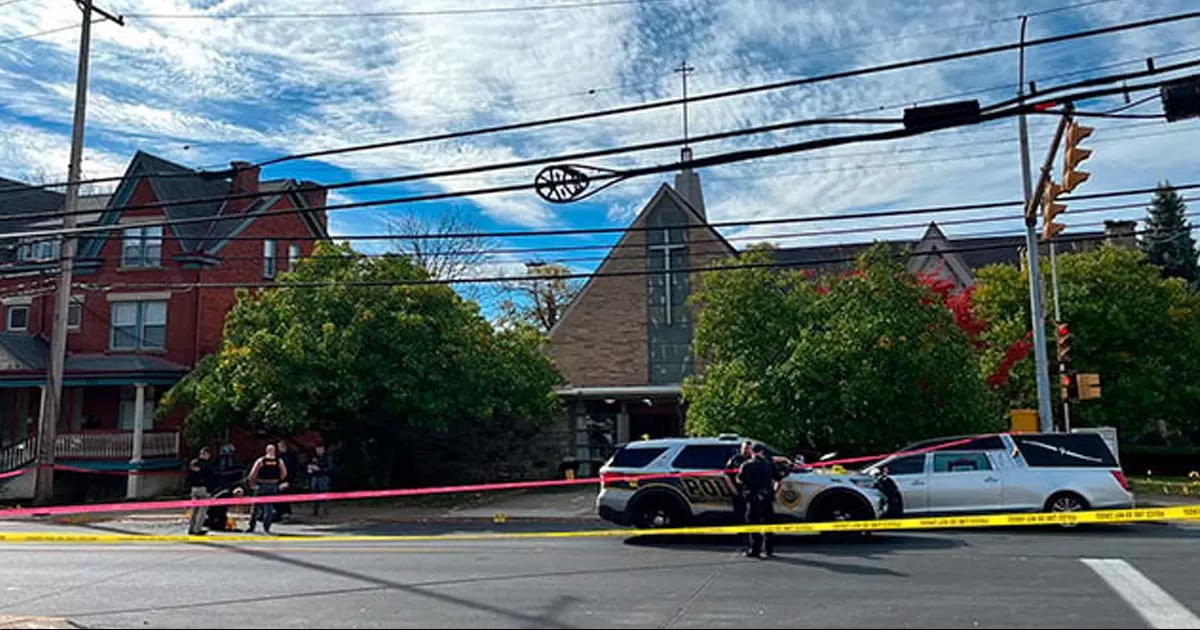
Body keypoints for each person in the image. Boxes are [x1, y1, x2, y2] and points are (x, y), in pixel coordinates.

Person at [737, 443, 778, 559]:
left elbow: (739, 480)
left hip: (753, 497)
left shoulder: (746, 465)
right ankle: (769, 550)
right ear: (762, 452)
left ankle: (755, 549)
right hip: (767, 497)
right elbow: (777, 478)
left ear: (752, 452)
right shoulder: (769, 464)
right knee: (769, 524)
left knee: (753, 523)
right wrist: (773, 491)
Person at [247, 443, 288, 534]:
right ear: (274, 451)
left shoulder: (261, 460)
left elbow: (253, 473)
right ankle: (267, 528)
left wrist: (252, 483)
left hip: (261, 484)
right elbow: (284, 473)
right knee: (269, 508)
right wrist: (278, 480)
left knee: (256, 507)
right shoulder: (279, 461)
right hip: (272, 485)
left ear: (266, 451)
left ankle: (251, 527)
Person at [186, 447, 216, 536]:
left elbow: (189, 476)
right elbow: (211, 477)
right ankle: (197, 529)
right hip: (204, 489)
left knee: (194, 510)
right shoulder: (207, 464)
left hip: (194, 488)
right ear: (206, 454)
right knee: (202, 511)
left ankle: (191, 528)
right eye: (208, 454)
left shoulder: (193, 463)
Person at [725, 441, 753, 527]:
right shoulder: (734, 460)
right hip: (738, 491)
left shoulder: (754, 459)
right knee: (739, 515)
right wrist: (733, 488)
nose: (746, 450)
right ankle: (741, 536)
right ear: (741, 448)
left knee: (751, 514)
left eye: (748, 448)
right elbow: (726, 474)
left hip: (751, 492)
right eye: (744, 448)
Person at [276, 441, 299, 520]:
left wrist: (289, 482)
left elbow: (293, 470)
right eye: (279, 447)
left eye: (281, 446)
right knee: (278, 498)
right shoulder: (278, 457)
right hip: (278, 481)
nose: (280, 448)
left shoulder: (291, 457)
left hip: (288, 480)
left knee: (286, 497)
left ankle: (287, 513)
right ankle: (279, 514)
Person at [307, 444, 332, 517]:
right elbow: (309, 465)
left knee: (324, 493)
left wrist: (319, 469)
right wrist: (309, 468)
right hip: (315, 477)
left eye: (320, 449)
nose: (318, 450)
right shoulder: (313, 457)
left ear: (323, 450)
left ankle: (325, 511)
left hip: (323, 477)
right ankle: (315, 511)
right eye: (317, 449)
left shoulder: (327, 457)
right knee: (314, 494)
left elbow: (329, 469)